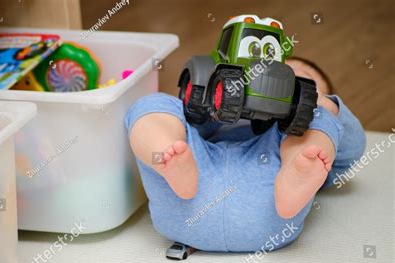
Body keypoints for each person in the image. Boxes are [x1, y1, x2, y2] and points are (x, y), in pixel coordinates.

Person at [124, 59, 366, 252]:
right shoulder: (217, 122)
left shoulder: (313, 149)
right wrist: (214, 105)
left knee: (316, 121)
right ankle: (166, 151)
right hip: (189, 184)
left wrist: (326, 106)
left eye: (297, 80)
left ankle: (296, 171)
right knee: (155, 106)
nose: (279, 84)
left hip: (273, 197)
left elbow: (351, 151)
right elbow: (190, 117)